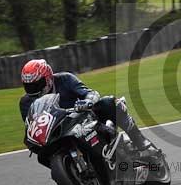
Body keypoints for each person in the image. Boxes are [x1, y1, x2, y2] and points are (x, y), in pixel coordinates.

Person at [19, 59, 157, 152]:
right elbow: (32, 126)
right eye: (29, 86)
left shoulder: (65, 79)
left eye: (37, 85)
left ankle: (138, 139)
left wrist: (88, 101)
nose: (34, 89)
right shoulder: (25, 103)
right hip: (58, 133)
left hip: (83, 119)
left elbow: (90, 93)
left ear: (48, 78)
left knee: (109, 102)